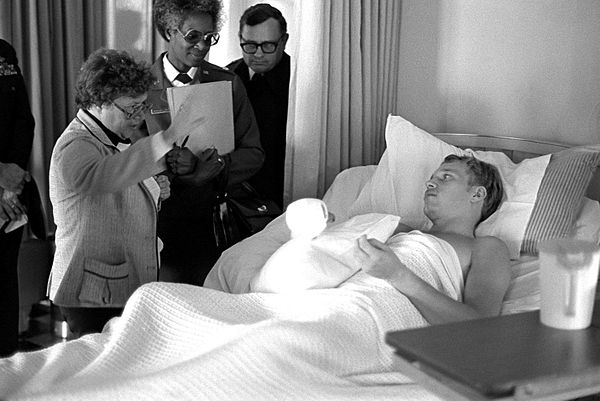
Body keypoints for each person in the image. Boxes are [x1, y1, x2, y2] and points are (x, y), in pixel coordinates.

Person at [48, 48, 204, 337]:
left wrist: (156, 189)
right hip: (92, 293)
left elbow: (120, 182)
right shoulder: (75, 145)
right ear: (98, 101)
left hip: (114, 286)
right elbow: (105, 177)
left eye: (142, 107)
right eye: (130, 109)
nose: (137, 118)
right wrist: (167, 137)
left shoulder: (116, 137)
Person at [147, 0, 264, 286]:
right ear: (168, 30)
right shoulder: (141, 88)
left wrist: (214, 166)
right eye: (192, 36)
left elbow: (254, 153)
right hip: (157, 226)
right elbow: (129, 159)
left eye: (210, 37)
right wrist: (176, 171)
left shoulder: (227, 84)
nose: (202, 46)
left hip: (212, 223)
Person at [355, 154, 511, 323]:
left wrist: (396, 274)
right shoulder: (396, 229)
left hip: (374, 317)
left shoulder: (486, 247)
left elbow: (479, 326)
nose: (428, 183)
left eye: (446, 177)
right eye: (431, 178)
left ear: (477, 194)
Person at [227, 3, 290, 209]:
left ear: (284, 41)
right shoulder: (227, 77)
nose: (259, 54)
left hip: (283, 188)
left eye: (268, 45)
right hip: (236, 192)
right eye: (250, 45)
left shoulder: (299, 80)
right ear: (240, 40)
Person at [0, 39, 34, 357]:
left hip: (9, 196)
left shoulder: (3, 51)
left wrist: (11, 177)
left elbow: (24, 120)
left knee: (4, 285)